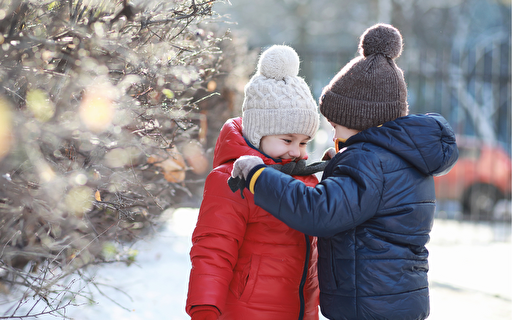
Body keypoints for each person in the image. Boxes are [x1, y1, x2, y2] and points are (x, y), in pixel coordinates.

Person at [231, 24, 459, 320]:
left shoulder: (367, 161)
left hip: (369, 307)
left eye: (336, 123)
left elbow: (320, 212)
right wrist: (341, 166)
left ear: (359, 120)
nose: (332, 128)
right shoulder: (399, 157)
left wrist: (259, 176)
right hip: (395, 300)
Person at [186, 45, 323, 320]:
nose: (296, 151)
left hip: (297, 310)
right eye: (287, 140)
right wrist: (205, 307)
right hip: (246, 310)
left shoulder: (305, 179)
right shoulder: (233, 180)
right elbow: (214, 247)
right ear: (257, 133)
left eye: (304, 142)